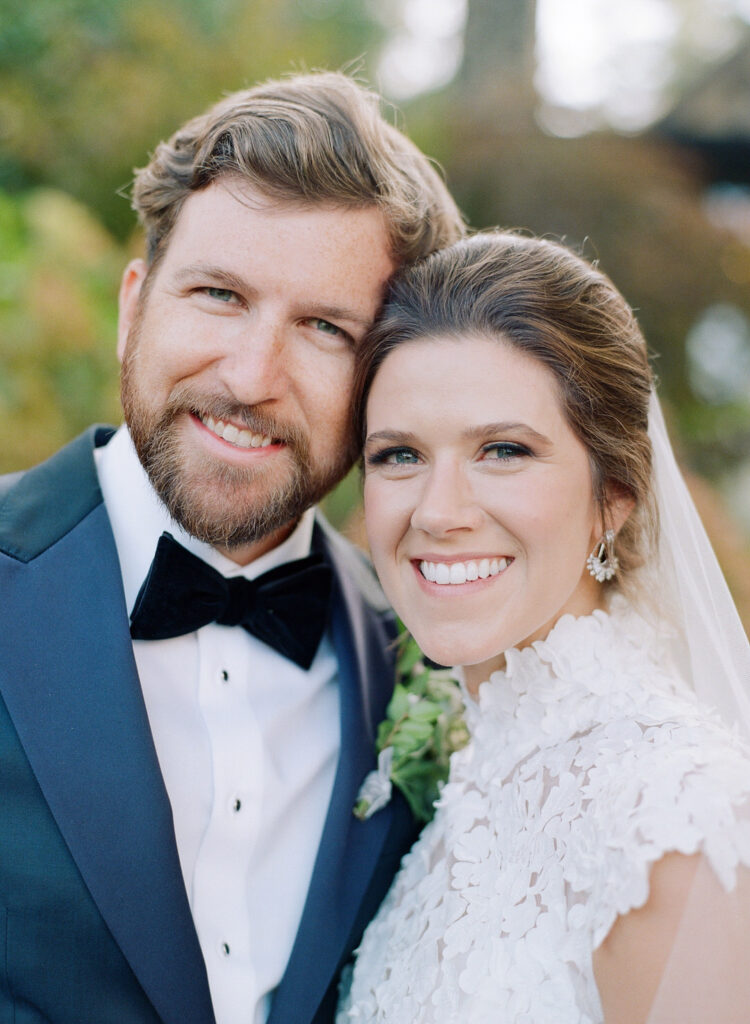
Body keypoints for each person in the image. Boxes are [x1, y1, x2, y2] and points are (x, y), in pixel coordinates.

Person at [0, 72, 464, 1024]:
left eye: (326, 329)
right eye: (219, 295)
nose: (252, 377)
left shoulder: (433, 663)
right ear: (136, 306)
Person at [338, 231, 750, 1023]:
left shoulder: (671, 822)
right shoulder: (468, 783)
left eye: (501, 450)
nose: (438, 512)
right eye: (398, 456)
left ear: (614, 496)